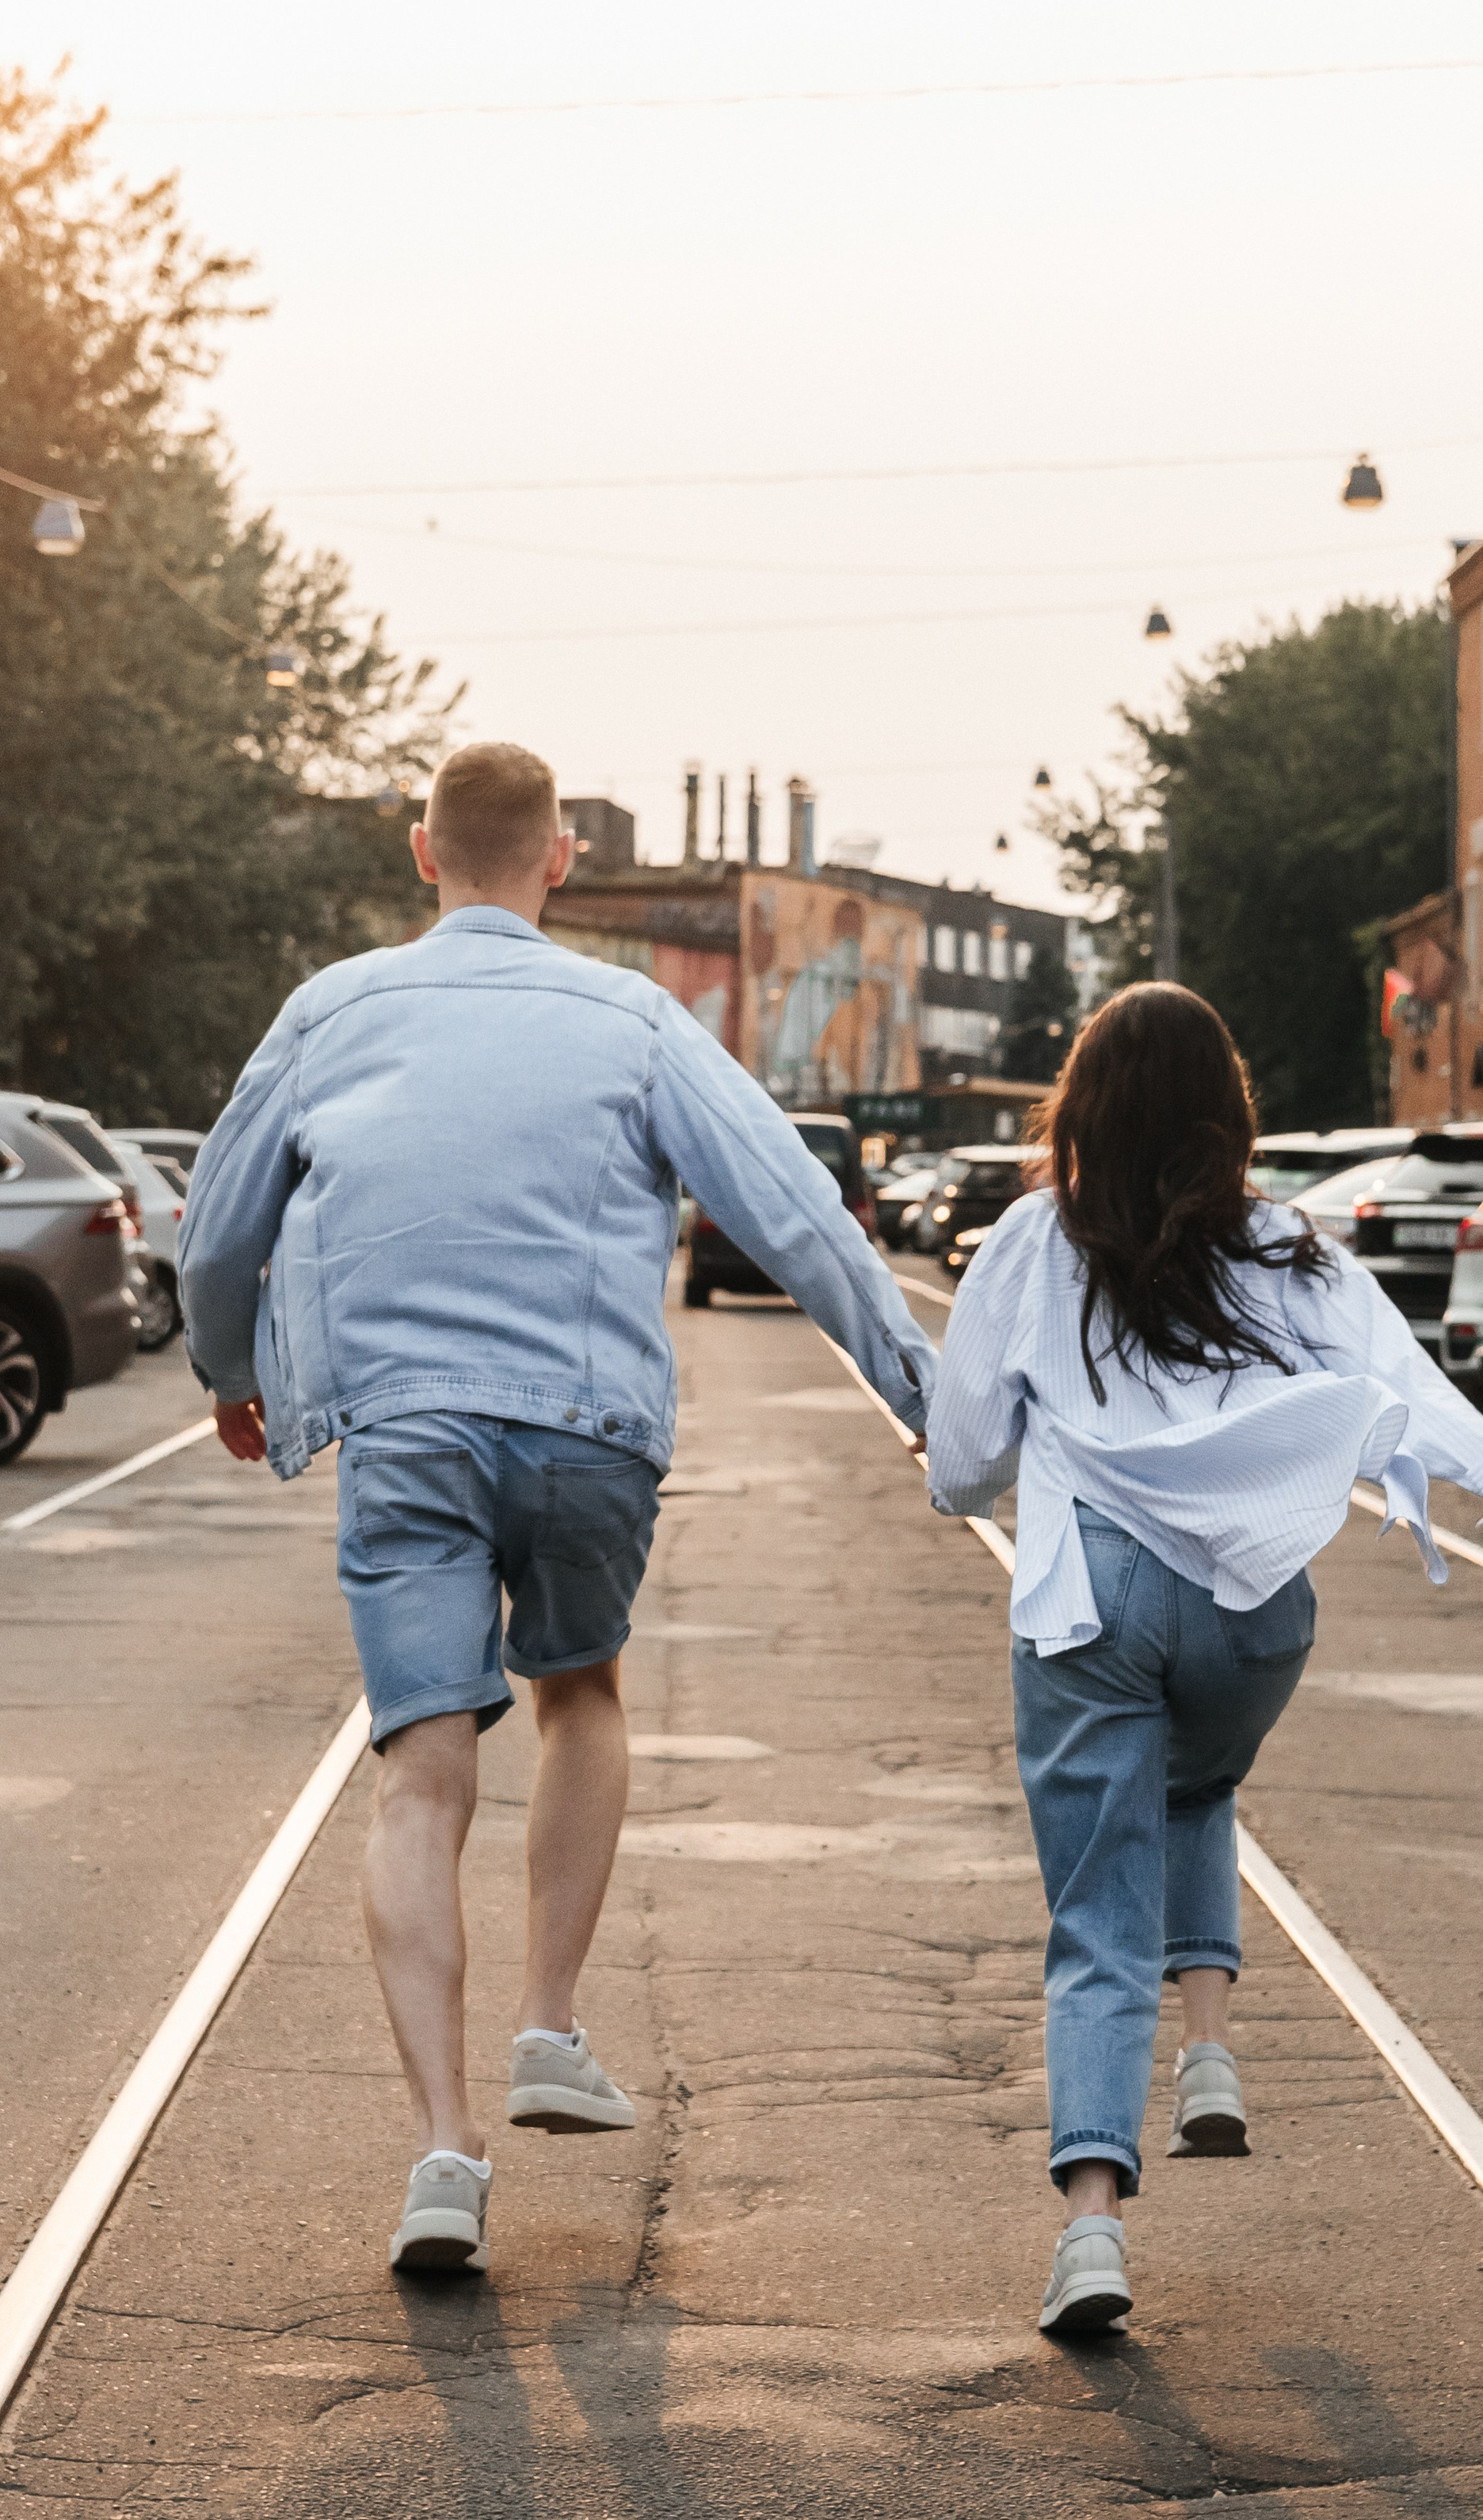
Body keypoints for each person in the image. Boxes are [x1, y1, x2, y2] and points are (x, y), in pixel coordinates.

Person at [179, 742, 936, 2277]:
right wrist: (929, 1400)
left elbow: (217, 1225)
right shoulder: (634, 1017)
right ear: (561, 861)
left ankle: (444, 2150)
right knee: (580, 1690)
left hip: (403, 1429)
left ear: (418, 852)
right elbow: (788, 1209)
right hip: (589, 1430)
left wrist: (230, 1368)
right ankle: (545, 2025)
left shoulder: (329, 1012)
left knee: (418, 1775)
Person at [924, 984, 1483, 2335]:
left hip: (1094, 1604)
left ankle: (1093, 2231)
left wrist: (1002, 1455)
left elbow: (961, 1466)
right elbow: (1410, 1384)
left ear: (1080, 1108)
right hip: (1255, 1612)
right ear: (1229, 1117)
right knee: (1197, 1786)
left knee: (1096, 1919)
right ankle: (1211, 2047)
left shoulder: (1031, 1244)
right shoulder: (1291, 1246)